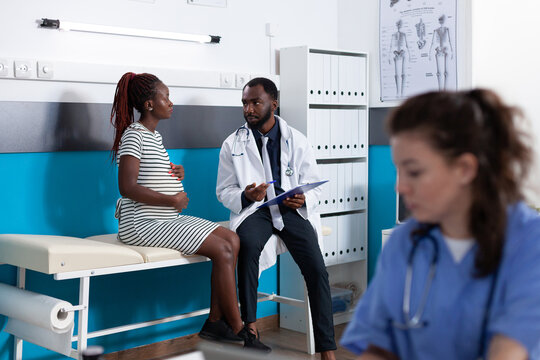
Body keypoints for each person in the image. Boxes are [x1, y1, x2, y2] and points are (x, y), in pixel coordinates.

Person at [341, 89, 540, 359]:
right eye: (399, 171)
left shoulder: (529, 242)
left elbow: (508, 350)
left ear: (465, 169)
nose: (400, 186)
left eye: (414, 172)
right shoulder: (405, 242)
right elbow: (377, 345)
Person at [110, 72, 259, 349]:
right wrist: (171, 201)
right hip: (142, 223)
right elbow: (127, 187)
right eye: (165, 96)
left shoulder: (154, 136)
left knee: (232, 239)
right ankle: (240, 329)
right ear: (149, 104)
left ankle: (215, 322)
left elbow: (148, 174)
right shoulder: (134, 135)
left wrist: (174, 173)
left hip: (164, 219)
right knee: (223, 249)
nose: (171, 102)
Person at [216, 77, 337, 358]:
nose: (249, 109)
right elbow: (223, 191)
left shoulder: (297, 140)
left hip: (290, 210)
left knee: (317, 270)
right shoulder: (232, 143)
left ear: (274, 103)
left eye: (256, 102)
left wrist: (304, 199)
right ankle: (251, 329)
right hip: (256, 212)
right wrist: (247, 196)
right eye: (245, 103)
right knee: (247, 250)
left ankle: (327, 350)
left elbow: (314, 184)